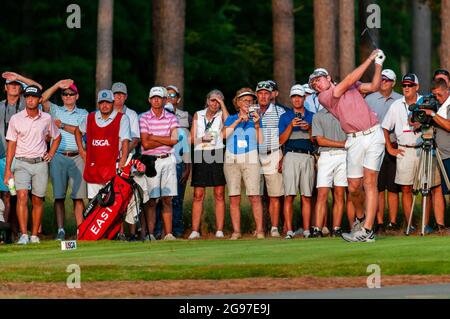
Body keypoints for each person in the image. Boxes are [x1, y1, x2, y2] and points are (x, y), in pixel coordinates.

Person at [310, 49, 386, 242]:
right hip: (353, 139)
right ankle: (360, 219)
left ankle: (367, 229)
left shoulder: (352, 87)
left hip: (373, 133)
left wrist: (378, 64)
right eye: (313, 84)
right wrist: (369, 58)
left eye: (318, 80)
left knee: (370, 182)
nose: (316, 85)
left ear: (328, 77)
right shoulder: (324, 97)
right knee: (353, 187)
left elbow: (375, 86)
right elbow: (349, 80)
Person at [382, 74, 443, 233]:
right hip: (404, 150)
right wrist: (389, 148)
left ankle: (425, 224)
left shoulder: (426, 101)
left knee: (426, 188)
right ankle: (410, 225)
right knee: (406, 189)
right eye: (404, 85)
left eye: (410, 85)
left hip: (424, 148)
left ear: (417, 86)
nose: (406, 88)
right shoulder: (396, 105)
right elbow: (385, 128)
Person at [4, 85, 61, 244]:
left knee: (37, 200)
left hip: (40, 164)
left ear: (39, 100)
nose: (30, 99)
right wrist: (8, 169)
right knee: (21, 196)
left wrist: (51, 153)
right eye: (27, 97)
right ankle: (23, 234)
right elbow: (11, 145)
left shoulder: (46, 118)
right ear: (25, 98)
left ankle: (34, 235)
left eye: (33, 97)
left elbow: (57, 137)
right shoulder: (16, 118)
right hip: (21, 162)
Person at [41, 80, 89, 240]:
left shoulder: (84, 113)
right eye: (65, 94)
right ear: (62, 97)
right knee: (59, 196)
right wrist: (56, 86)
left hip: (78, 156)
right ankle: (61, 230)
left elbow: (80, 132)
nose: (68, 96)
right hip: (59, 155)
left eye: (71, 94)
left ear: (77, 96)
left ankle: (80, 230)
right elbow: (41, 99)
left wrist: (61, 126)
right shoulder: (55, 110)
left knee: (78, 196)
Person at [0, 72, 41, 239]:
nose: (14, 86)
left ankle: (23, 232)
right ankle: (6, 231)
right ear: (5, 88)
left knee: (23, 195)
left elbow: (38, 89)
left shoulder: (27, 103)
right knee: (7, 195)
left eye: (17, 84)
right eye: (11, 84)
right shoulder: (0, 106)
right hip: (3, 157)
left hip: (24, 156)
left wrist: (19, 77)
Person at [222, 88, 264, 240]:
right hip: (231, 157)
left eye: (251, 101)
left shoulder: (257, 119)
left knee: (254, 195)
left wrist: (257, 124)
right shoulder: (231, 118)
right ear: (238, 102)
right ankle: (236, 231)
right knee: (234, 196)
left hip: (251, 156)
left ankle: (259, 231)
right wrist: (239, 120)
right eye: (244, 100)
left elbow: (261, 141)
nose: (248, 103)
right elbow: (223, 136)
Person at [365, 69, 402, 232]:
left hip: (394, 146)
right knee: (378, 187)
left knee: (393, 187)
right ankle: (379, 222)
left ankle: (392, 222)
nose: (383, 82)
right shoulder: (370, 99)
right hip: (374, 147)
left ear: (393, 83)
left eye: (387, 80)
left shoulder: (400, 99)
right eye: (382, 79)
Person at [75, 89, 130, 200]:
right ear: (98, 104)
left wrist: (123, 162)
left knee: (112, 202)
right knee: (94, 201)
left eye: (108, 102)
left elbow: (125, 141)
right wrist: (81, 150)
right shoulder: (90, 118)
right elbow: (78, 131)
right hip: (94, 167)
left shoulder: (122, 118)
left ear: (113, 103)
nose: (104, 105)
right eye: (102, 102)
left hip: (113, 166)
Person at [139, 86, 179, 241]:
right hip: (151, 162)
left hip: (168, 159)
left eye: (159, 98)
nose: (156, 100)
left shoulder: (171, 117)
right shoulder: (143, 117)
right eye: (153, 97)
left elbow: (174, 140)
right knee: (151, 201)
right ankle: (150, 234)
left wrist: (154, 136)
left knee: (167, 199)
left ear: (164, 100)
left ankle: (168, 234)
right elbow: (145, 144)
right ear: (149, 100)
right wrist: (165, 140)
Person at [188, 89, 229, 239]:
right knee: (198, 194)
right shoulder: (198, 115)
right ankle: (195, 230)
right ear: (207, 101)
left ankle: (219, 230)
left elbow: (229, 122)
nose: (215, 103)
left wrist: (222, 104)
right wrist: (202, 139)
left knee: (219, 193)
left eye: (218, 101)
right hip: (200, 153)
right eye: (213, 100)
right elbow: (191, 139)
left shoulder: (221, 115)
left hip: (217, 152)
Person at [153, 85, 192, 238]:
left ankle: (176, 230)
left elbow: (186, 150)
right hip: (158, 165)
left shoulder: (180, 130)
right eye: (166, 112)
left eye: (170, 113)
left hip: (177, 166)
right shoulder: (154, 127)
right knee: (157, 200)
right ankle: (157, 231)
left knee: (175, 200)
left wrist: (187, 169)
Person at [279, 85, 315, 239]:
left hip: (307, 156)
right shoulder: (285, 117)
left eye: (299, 96)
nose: (296, 99)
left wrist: (309, 128)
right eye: (294, 97)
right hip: (291, 155)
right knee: (289, 195)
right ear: (291, 98)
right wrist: (291, 126)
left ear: (304, 98)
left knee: (307, 195)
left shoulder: (313, 116)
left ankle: (306, 230)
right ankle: (289, 230)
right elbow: (280, 141)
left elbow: (315, 140)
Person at [311, 100, 351, 238]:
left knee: (340, 194)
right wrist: (342, 144)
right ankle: (317, 228)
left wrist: (344, 145)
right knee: (322, 193)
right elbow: (320, 140)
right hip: (326, 155)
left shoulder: (345, 113)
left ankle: (336, 228)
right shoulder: (318, 115)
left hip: (344, 156)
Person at [110, 82, 141, 241]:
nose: (118, 97)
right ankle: (119, 232)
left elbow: (135, 139)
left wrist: (124, 154)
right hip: (111, 160)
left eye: (121, 94)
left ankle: (133, 232)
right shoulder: (106, 113)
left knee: (131, 197)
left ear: (126, 96)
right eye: (116, 94)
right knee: (116, 197)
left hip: (128, 159)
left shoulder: (132, 114)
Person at [256, 81, 286, 237]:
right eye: (260, 93)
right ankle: (260, 228)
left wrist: (283, 156)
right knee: (256, 194)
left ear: (271, 95)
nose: (263, 96)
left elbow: (284, 137)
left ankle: (274, 227)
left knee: (275, 194)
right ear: (257, 95)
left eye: (266, 93)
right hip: (253, 156)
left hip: (273, 153)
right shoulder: (250, 111)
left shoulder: (280, 112)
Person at [421, 78, 450, 232]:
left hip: (449, 154)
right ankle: (440, 226)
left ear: (446, 90)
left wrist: (432, 114)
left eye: (439, 95)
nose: (437, 98)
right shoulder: (437, 105)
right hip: (439, 154)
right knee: (438, 190)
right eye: (435, 95)